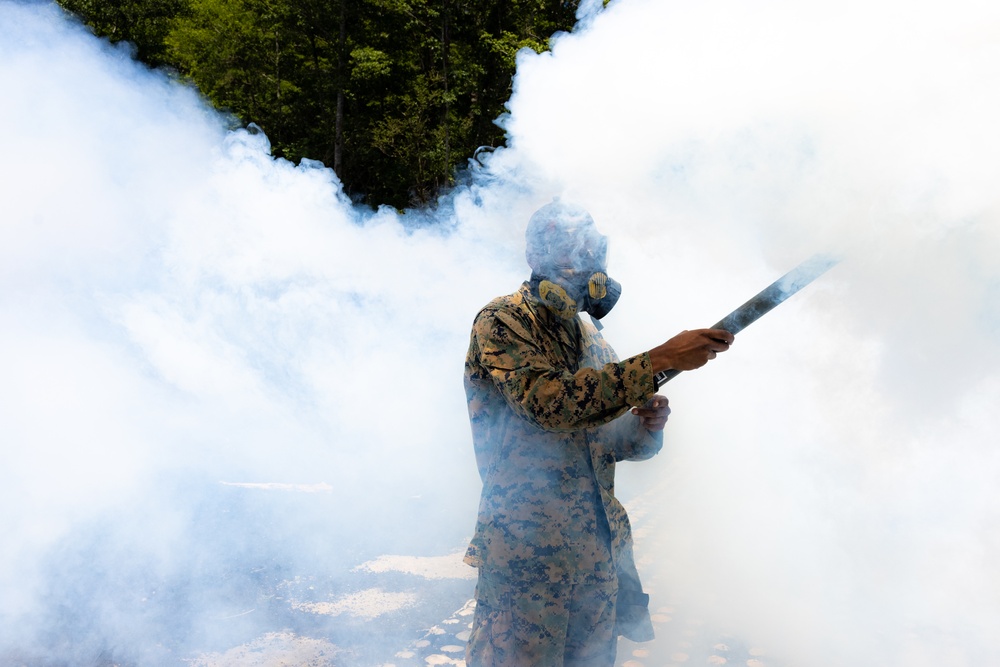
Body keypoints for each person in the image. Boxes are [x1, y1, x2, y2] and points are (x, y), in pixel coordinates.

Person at [462, 200, 734, 666]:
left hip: (595, 554)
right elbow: (550, 405)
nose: (579, 258)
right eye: (563, 247)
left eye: (587, 247)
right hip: (529, 557)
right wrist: (659, 359)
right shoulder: (504, 320)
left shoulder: (589, 334)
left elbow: (607, 438)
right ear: (534, 256)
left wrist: (646, 425)